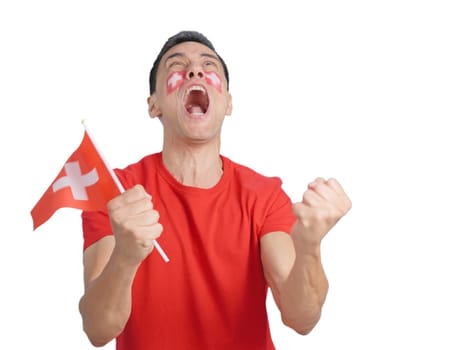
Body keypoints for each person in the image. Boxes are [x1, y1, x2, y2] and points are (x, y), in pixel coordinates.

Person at [78, 30, 351, 350]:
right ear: (153, 105)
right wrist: (125, 256)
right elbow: (98, 329)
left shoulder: (264, 196)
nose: (194, 71)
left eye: (208, 67)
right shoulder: (116, 193)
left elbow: (301, 318)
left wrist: (309, 245)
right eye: (176, 67)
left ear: (228, 103)